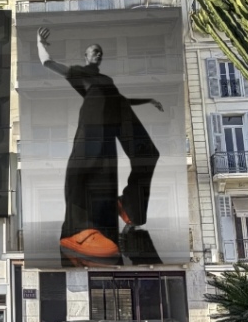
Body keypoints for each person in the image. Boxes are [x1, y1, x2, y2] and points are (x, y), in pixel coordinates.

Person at [37, 26, 162, 265]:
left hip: (116, 114)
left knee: (148, 153)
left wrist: (148, 100)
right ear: (86, 56)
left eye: (100, 52)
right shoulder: (80, 74)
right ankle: (75, 231)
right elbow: (48, 63)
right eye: (94, 52)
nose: (98, 55)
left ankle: (128, 203)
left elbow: (120, 100)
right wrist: (39, 43)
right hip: (94, 119)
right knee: (87, 163)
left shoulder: (106, 80)